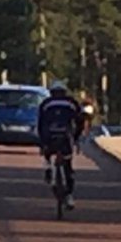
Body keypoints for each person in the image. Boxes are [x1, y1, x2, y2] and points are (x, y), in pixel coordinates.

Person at [37, 80, 88, 211]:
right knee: (68, 164)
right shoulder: (71, 103)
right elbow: (80, 120)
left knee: (47, 152)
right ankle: (69, 195)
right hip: (65, 137)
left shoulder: (45, 103)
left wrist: (42, 142)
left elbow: (40, 124)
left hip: (49, 136)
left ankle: (48, 167)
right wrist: (76, 136)